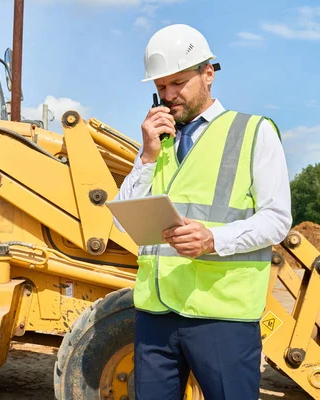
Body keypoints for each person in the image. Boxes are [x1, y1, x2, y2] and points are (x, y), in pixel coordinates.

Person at [113, 24, 292, 399]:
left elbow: (277, 219)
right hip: (156, 316)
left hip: (221, 318)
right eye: (161, 87)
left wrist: (214, 239)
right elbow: (120, 216)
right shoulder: (155, 142)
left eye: (178, 82)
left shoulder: (253, 132)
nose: (168, 95)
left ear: (208, 74)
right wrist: (145, 155)